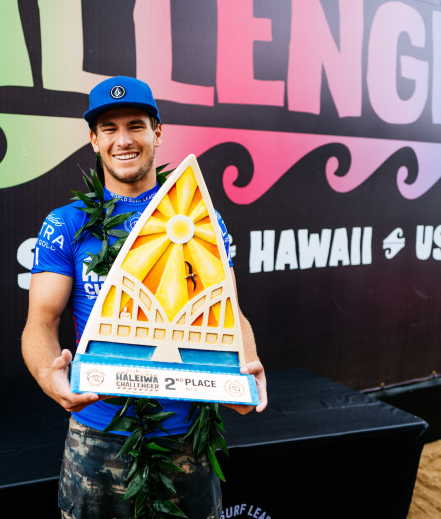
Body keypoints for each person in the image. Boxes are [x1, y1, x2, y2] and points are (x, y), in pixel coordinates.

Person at [21, 76, 267, 518]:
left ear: (157, 131)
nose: (123, 140)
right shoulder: (67, 223)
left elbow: (232, 315)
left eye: (135, 125)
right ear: (93, 140)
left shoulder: (199, 219)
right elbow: (40, 322)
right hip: (98, 435)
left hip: (187, 433)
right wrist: (48, 375)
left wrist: (246, 368)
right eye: (109, 129)